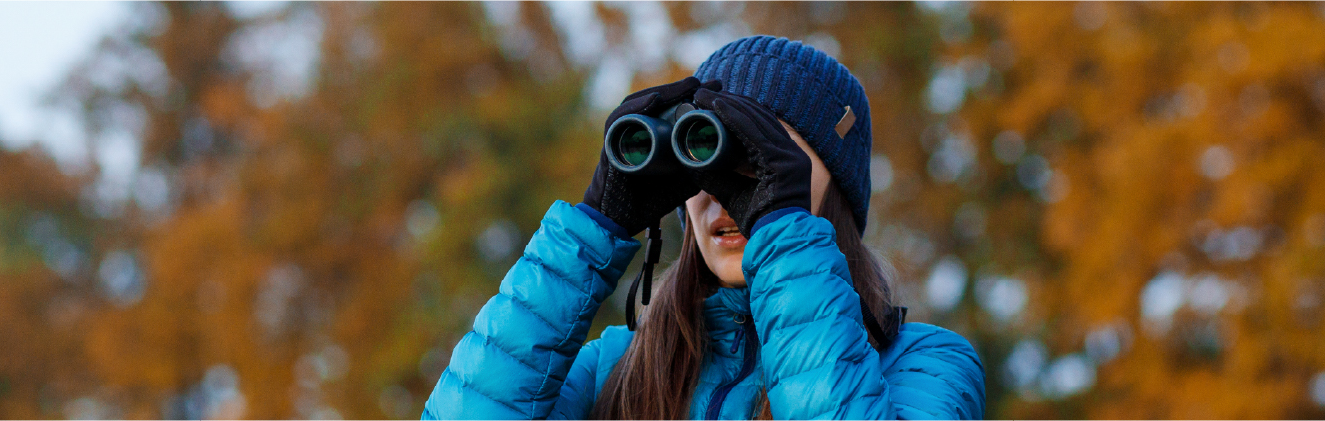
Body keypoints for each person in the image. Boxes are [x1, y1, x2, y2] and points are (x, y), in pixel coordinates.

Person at [422, 35, 985, 420]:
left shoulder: (923, 364)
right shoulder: (613, 368)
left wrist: (782, 229)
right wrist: (592, 227)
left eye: (766, 161)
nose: (728, 193)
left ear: (833, 188)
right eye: (708, 158)